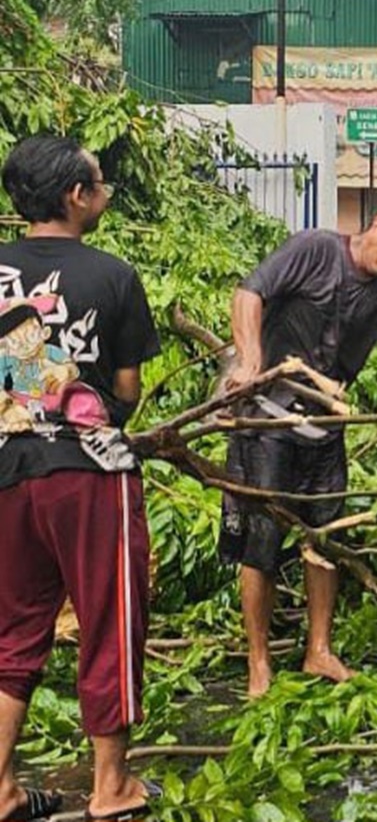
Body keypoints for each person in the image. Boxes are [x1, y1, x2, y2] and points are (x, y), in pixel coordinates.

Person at [0, 136, 162, 821]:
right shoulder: (112, 275)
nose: (106, 194)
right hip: (89, 472)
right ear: (75, 196)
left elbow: (18, 365)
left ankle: (2, 788)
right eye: (99, 184)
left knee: (12, 629)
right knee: (110, 621)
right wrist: (97, 412)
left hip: (7, 468)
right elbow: (125, 385)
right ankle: (112, 787)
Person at [221, 198, 377, 698]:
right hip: (266, 420)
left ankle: (319, 650)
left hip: (324, 431)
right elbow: (249, 292)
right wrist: (250, 359)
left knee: (325, 538)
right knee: (262, 543)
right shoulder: (315, 249)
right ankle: (259, 661)